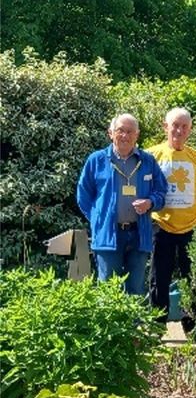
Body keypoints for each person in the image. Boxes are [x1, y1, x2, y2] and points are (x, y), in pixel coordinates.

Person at [147, 107, 196, 341]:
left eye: (184, 126)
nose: (179, 130)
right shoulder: (151, 156)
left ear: (190, 130)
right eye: (175, 125)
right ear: (165, 127)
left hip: (192, 227)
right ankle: (157, 327)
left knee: (193, 279)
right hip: (161, 226)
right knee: (159, 278)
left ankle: (193, 326)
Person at [77, 114, 167, 295]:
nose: (125, 136)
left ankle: (133, 325)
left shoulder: (147, 161)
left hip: (139, 234)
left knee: (136, 289)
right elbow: (83, 196)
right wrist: (100, 219)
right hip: (108, 236)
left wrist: (150, 202)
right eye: (120, 131)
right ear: (111, 133)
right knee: (109, 290)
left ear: (137, 135)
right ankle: (110, 325)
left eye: (130, 131)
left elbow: (161, 192)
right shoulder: (97, 160)